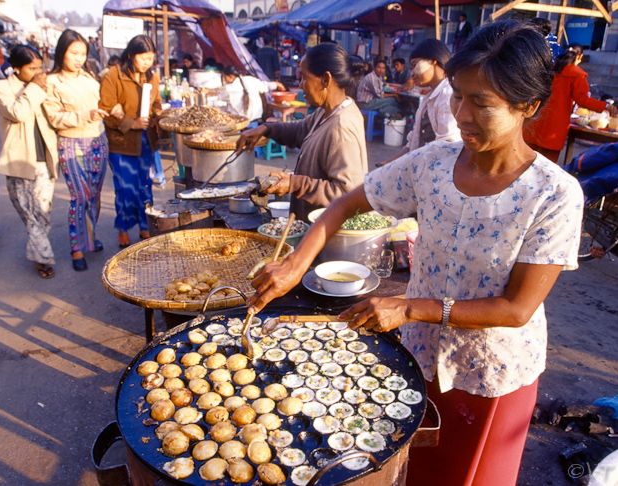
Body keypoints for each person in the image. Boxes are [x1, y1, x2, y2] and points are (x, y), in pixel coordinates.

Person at [246, 21, 584, 486]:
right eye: (457, 95)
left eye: (480, 103)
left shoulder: (555, 194)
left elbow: (516, 308)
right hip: (420, 357)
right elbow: (346, 202)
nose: (462, 114)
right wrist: (293, 265)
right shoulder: (434, 161)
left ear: (527, 105)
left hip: (491, 375)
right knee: (418, 472)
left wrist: (409, 307)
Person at [236, 43, 368, 221]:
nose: (301, 84)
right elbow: (300, 130)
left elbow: (346, 193)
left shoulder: (342, 126)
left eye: (304, 78)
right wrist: (266, 128)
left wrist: (295, 183)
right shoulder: (326, 111)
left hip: (327, 237)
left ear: (325, 80)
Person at [0, 45, 59, 279]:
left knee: (43, 211)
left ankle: (38, 254)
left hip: (45, 159)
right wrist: (35, 87)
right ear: (16, 68)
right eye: (32, 68)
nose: (39, 72)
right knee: (29, 213)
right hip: (20, 162)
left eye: (40, 67)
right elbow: (18, 112)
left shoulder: (43, 85)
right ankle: (44, 258)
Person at [43, 30, 109, 271]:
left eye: (82, 53)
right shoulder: (51, 82)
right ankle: (77, 248)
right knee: (79, 196)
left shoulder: (90, 78)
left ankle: (90, 238)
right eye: (74, 52)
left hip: (98, 141)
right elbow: (54, 118)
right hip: (71, 143)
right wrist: (85, 115)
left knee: (94, 195)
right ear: (62, 52)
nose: (79, 58)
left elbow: (102, 105)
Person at [99, 35, 163, 248]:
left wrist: (159, 114)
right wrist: (130, 123)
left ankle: (145, 227)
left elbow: (156, 103)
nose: (147, 62)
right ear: (130, 55)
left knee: (145, 186)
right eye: (143, 57)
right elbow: (106, 109)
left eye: (150, 58)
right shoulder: (114, 76)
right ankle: (124, 229)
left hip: (146, 142)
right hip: (122, 143)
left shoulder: (152, 77)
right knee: (125, 188)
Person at [524, 44, 617, 163]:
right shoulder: (577, 74)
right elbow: (583, 100)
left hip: (535, 122)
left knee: (525, 163)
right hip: (555, 127)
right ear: (580, 57)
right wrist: (606, 106)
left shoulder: (550, 69)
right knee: (547, 166)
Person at [379, 39, 460, 166]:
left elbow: (447, 147)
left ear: (432, 61)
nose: (412, 74)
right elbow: (413, 143)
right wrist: (389, 163)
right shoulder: (430, 97)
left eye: (415, 65)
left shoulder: (448, 95)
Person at [221, 65, 285, 122]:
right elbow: (265, 86)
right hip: (255, 121)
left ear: (230, 76)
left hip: (239, 123)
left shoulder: (228, 89)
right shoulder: (251, 80)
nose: (225, 79)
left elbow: (220, 102)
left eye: (225, 77)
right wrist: (277, 84)